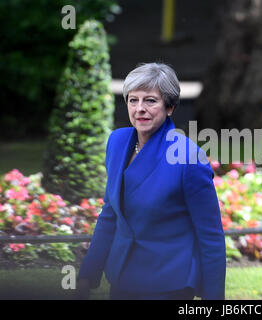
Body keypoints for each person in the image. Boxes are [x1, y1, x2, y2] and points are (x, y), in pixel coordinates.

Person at [76, 62, 226, 300]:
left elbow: (211, 236)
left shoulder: (188, 158)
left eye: (150, 100)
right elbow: (110, 213)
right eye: (133, 100)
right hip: (122, 276)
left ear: (170, 107)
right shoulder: (117, 142)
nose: (140, 109)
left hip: (168, 284)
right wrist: (87, 275)